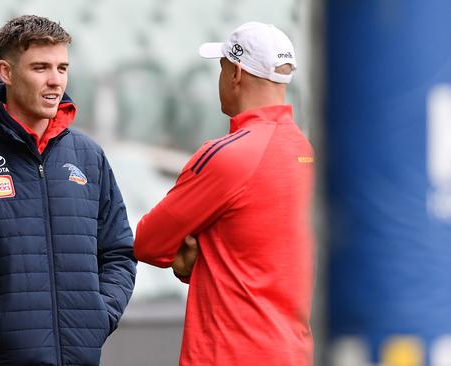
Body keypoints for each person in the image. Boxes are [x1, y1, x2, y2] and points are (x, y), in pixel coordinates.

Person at [0, 15, 137, 366]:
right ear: (6, 72)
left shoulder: (88, 156)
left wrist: (98, 316)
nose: (55, 81)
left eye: (62, 68)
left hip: (80, 355)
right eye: (40, 68)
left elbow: (118, 251)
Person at [134, 22, 315, 366]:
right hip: (293, 352)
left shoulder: (225, 154)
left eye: (221, 68)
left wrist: (193, 253)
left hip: (229, 355)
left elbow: (148, 242)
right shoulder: (306, 150)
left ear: (236, 74)